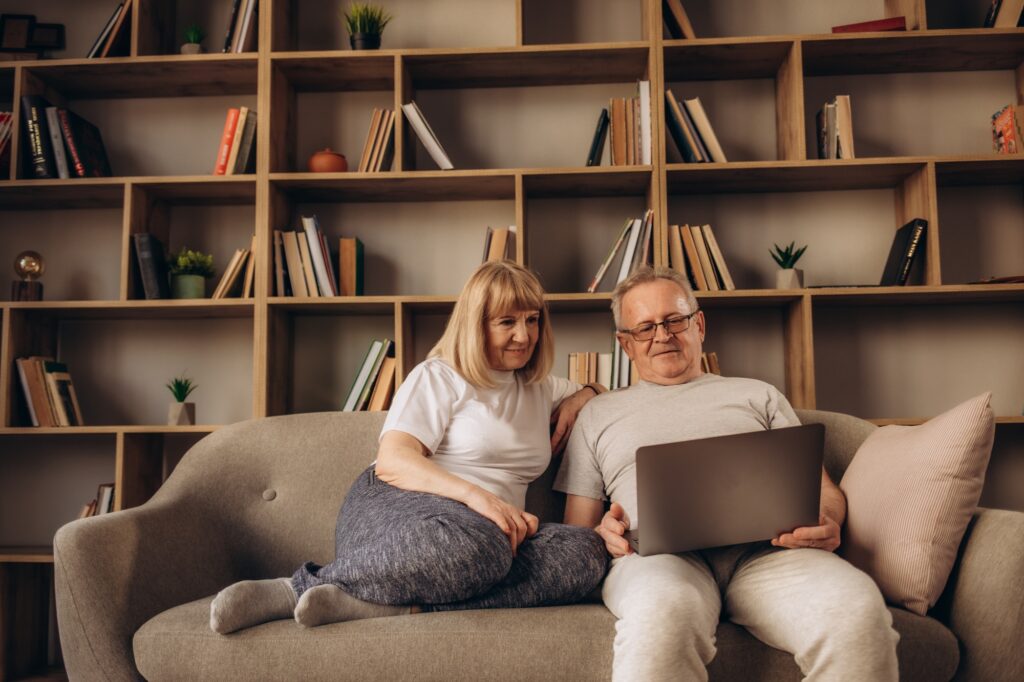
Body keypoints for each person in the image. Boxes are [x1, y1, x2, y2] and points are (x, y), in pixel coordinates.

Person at [210, 260, 608, 634]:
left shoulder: (541, 387)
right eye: (507, 322)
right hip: (397, 507)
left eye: (532, 320)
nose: (524, 335)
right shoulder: (439, 376)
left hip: (490, 538)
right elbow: (393, 460)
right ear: (475, 325)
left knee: (586, 551)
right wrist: (481, 500)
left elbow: (608, 398)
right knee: (482, 547)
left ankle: (388, 604)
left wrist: (586, 392)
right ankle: (298, 587)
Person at [556, 266, 899, 681]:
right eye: (645, 328)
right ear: (625, 344)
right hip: (654, 559)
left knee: (857, 611)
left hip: (769, 554)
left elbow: (823, 490)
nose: (663, 336)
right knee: (662, 616)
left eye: (675, 320)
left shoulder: (757, 394)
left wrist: (829, 519)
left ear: (698, 323)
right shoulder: (596, 415)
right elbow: (577, 529)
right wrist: (601, 534)